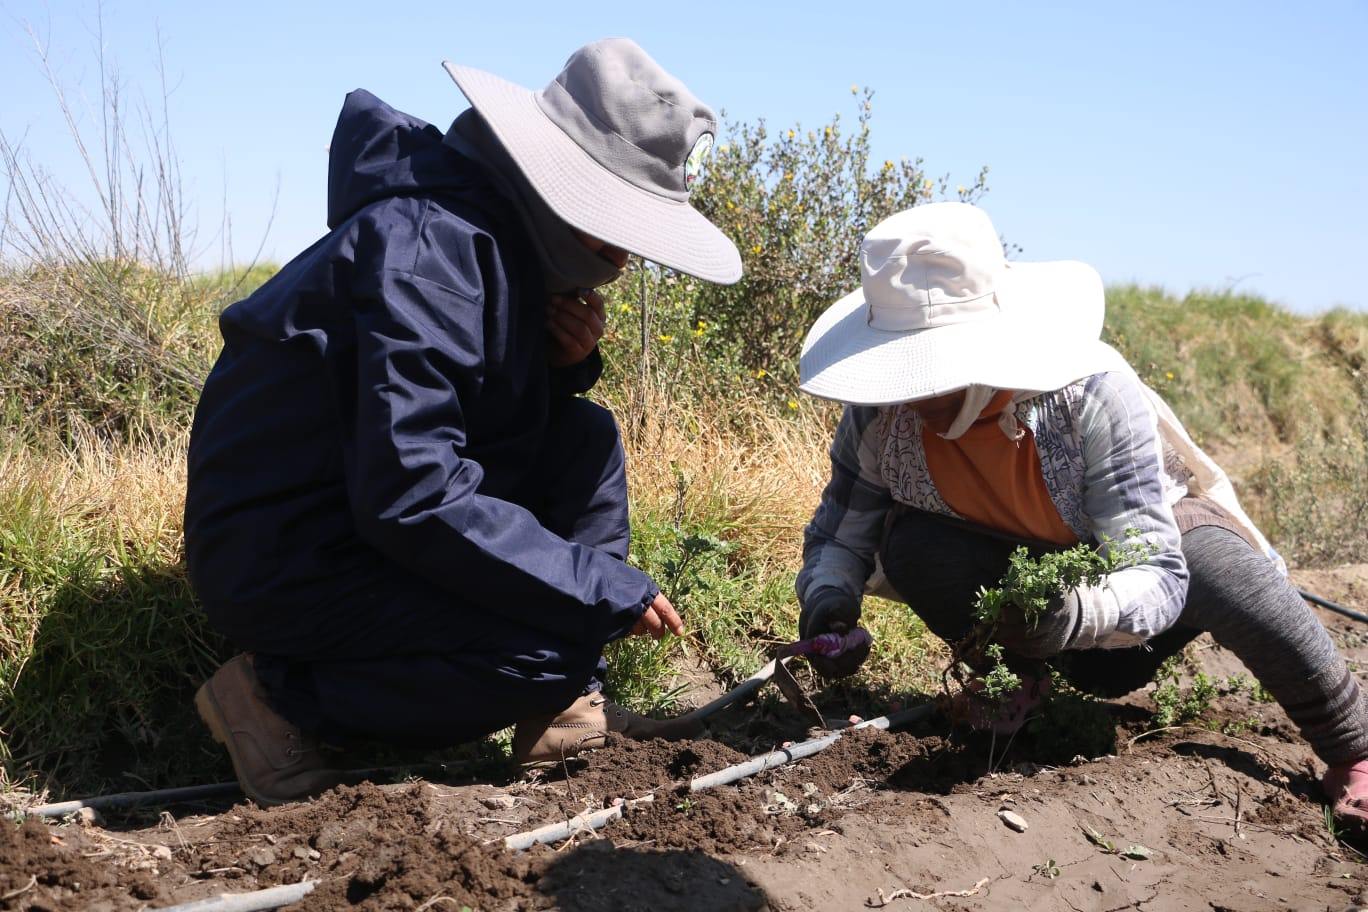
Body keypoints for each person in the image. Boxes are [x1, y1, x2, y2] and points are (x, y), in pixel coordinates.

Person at [184, 38, 741, 806]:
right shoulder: (431, 247)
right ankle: (273, 696)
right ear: (559, 187)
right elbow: (413, 488)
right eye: (617, 223)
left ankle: (563, 700)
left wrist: (550, 366)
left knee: (583, 438)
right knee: (551, 645)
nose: (625, 253)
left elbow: (445, 421)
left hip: (357, 519)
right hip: (288, 554)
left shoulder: (490, 239)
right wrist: (594, 586)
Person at [793, 202, 1368, 824]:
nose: (916, 389)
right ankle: (1018, 684)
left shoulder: (1088, 395)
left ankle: (1353, 749)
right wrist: (829, 601)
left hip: (1139, 606)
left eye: (934, 367)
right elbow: (841, 531)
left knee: (1218, 565)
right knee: (912, 544)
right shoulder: (881, 416)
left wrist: (1073, 614)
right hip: (1024, 599)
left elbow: (1157, 569)